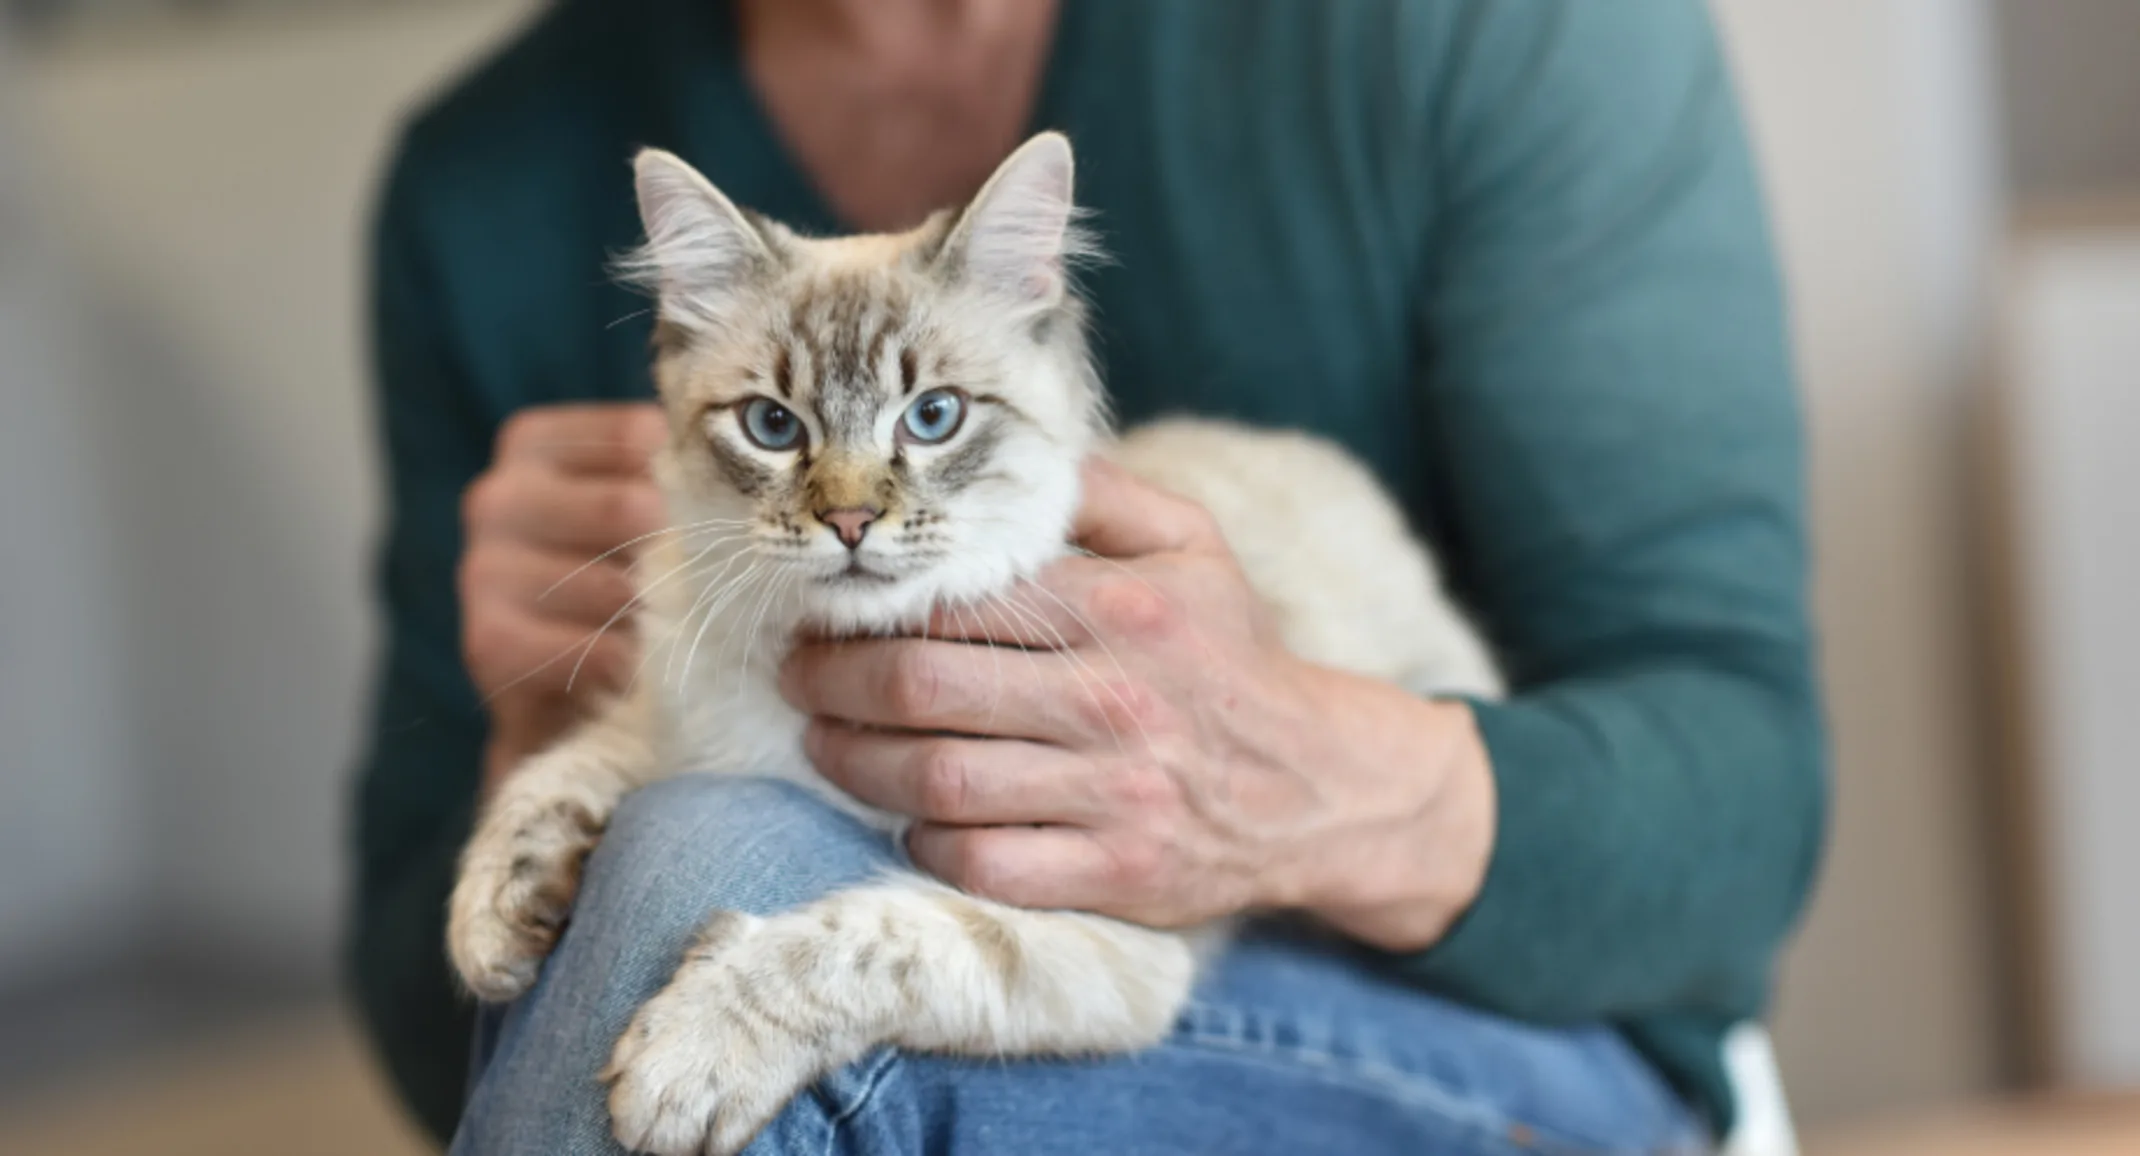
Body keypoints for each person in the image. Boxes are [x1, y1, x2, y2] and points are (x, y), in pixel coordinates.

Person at [350, 0, 1826, 1152]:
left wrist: (1297, 778)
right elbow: (453, 1038)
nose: (853, 507)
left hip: (1471, 1017)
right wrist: (540, 734)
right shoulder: (486, 182)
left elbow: (1747, 798)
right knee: (685, 852)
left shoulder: (1482, 34)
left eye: (930, 422)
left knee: (703, 866)